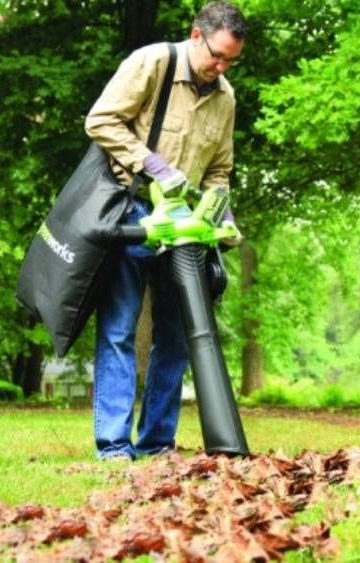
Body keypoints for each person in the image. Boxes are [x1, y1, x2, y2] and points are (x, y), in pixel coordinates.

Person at [84, 1, 247, 460]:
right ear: (197, 35)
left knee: (175, 335)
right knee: (119, 328)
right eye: (217, 55)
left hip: (184, 227)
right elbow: (99, 119)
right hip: (132, 211)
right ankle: (114, 446)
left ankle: (156, 444)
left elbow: (219, 171)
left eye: (231, 60)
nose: (221, 66)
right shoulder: (153, 62)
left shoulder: (225, 97)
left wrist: (222, 214)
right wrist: (150, 162)